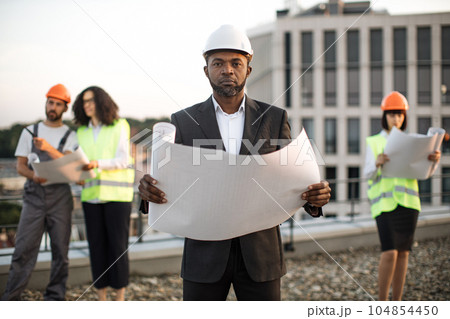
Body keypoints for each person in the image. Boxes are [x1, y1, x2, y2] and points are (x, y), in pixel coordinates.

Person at [138, 25, 331, 301]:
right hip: (204, 257)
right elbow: (170, 181)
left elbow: (294, 179)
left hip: (260, 256)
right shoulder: (183, 121)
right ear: (206, 70)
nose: (227, 70)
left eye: (235, 63)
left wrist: (315, 197)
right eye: (218, 63)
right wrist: (148, 193)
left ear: (248, 70)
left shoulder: (274, 119)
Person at [2, 84, 77, 301]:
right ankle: (11, 299)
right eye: (50, 102)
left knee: (61, 253)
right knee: (23, 250)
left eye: (58, 104)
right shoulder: (29, 132)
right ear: (46, 103)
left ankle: (55, 297)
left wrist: (49, 150)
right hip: (34, 197)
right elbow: (20, 167)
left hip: (61, 198)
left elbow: (72, 168)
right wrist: (34, 176)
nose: (53, 107)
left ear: (65, 108)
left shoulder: (70, 136)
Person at [364, 91, 441, 301]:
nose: (396, 118)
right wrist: (377, 163)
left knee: (404, 253)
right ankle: (382, 303)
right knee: (389, 252)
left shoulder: (414, 141)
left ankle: (397, 304)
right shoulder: (373, 142)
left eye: (399, 114)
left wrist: (433, 160)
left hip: (409, 204)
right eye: (392, 114)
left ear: (404, 116)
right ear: (384, 116)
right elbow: (367, 174)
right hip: (384, 206)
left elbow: (425, 174)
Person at [72, 86, 134, 301]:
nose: (87, 105)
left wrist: (97, 164)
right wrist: (77, 173)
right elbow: (81, 163)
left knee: (117, 248)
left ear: (102, 102)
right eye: (84, 101)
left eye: (91, 100)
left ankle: (119, 298)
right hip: (91, 197)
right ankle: (101, 297)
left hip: (117, 197)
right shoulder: (81, 132)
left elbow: (123, 160)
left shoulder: (119, 126)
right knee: (96, 247)